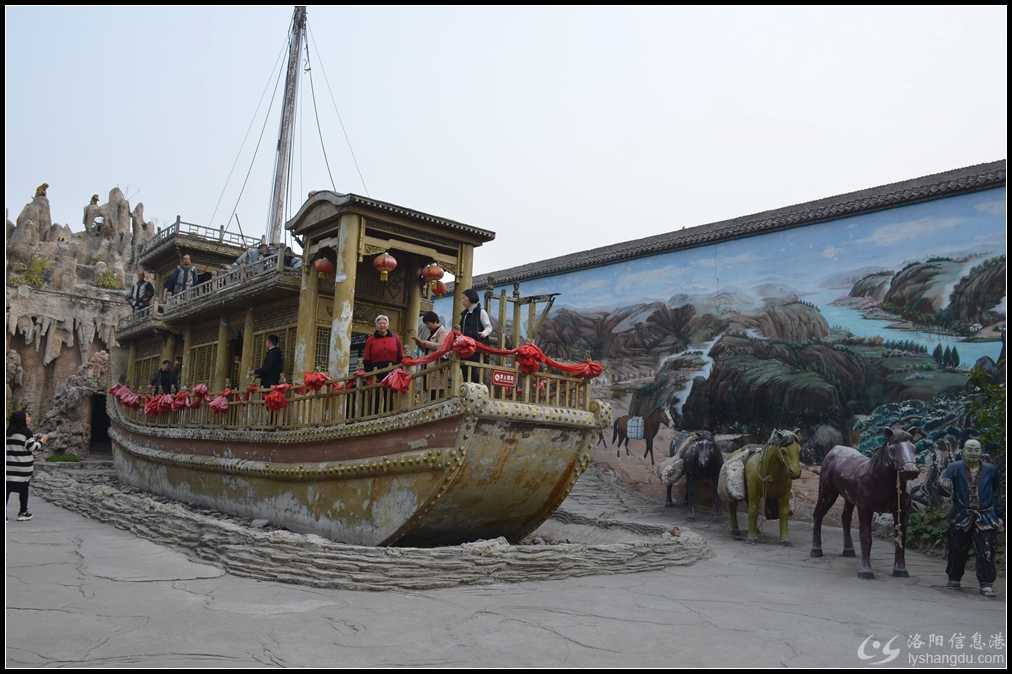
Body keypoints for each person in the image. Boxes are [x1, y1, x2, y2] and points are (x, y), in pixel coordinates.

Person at [941, 439, 1003, 598]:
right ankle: (954, 578)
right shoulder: (954, 467)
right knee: (957, 548)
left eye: (976, 449)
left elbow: (996, 493)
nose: (973, 453)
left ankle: (986, 584)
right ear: (963, 451)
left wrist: (1000, 515)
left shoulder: (991, 470)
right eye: (970, 449)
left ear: (981, 451)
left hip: (986, 515)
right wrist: (944, 484)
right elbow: (943, 483)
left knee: (986, 550)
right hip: (961, 514)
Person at [6, 410, 47, 522]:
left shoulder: (8, 432)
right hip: (23, 468)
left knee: (7, 490)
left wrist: (33, 436)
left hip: (9, 467)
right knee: (23, 490)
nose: (29, 418)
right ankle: (23, 512)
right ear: (21, 419)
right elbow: (32, 447)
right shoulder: (26, 432)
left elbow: (20, 442)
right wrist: (42, 441)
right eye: (27, 416)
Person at [413, 311, 450, 399]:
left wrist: (425, 343)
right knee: (429, 392)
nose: (427, 326)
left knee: (436, 393)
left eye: (428, 323)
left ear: (434, 321)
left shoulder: (442, 332)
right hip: (429, 366)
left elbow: (442, 347)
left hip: (437, 366)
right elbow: (428, 349)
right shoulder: (432, 332)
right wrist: (420, 344)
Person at [459, 288, 492, 382]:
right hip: (465, 347)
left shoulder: (481, 312)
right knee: (465, 370)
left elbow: (489, 327)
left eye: (464, 298)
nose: (462, 301)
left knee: (475, 372)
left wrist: (483, 334)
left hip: (477, 347)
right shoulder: (464, 314)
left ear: (470, 298)